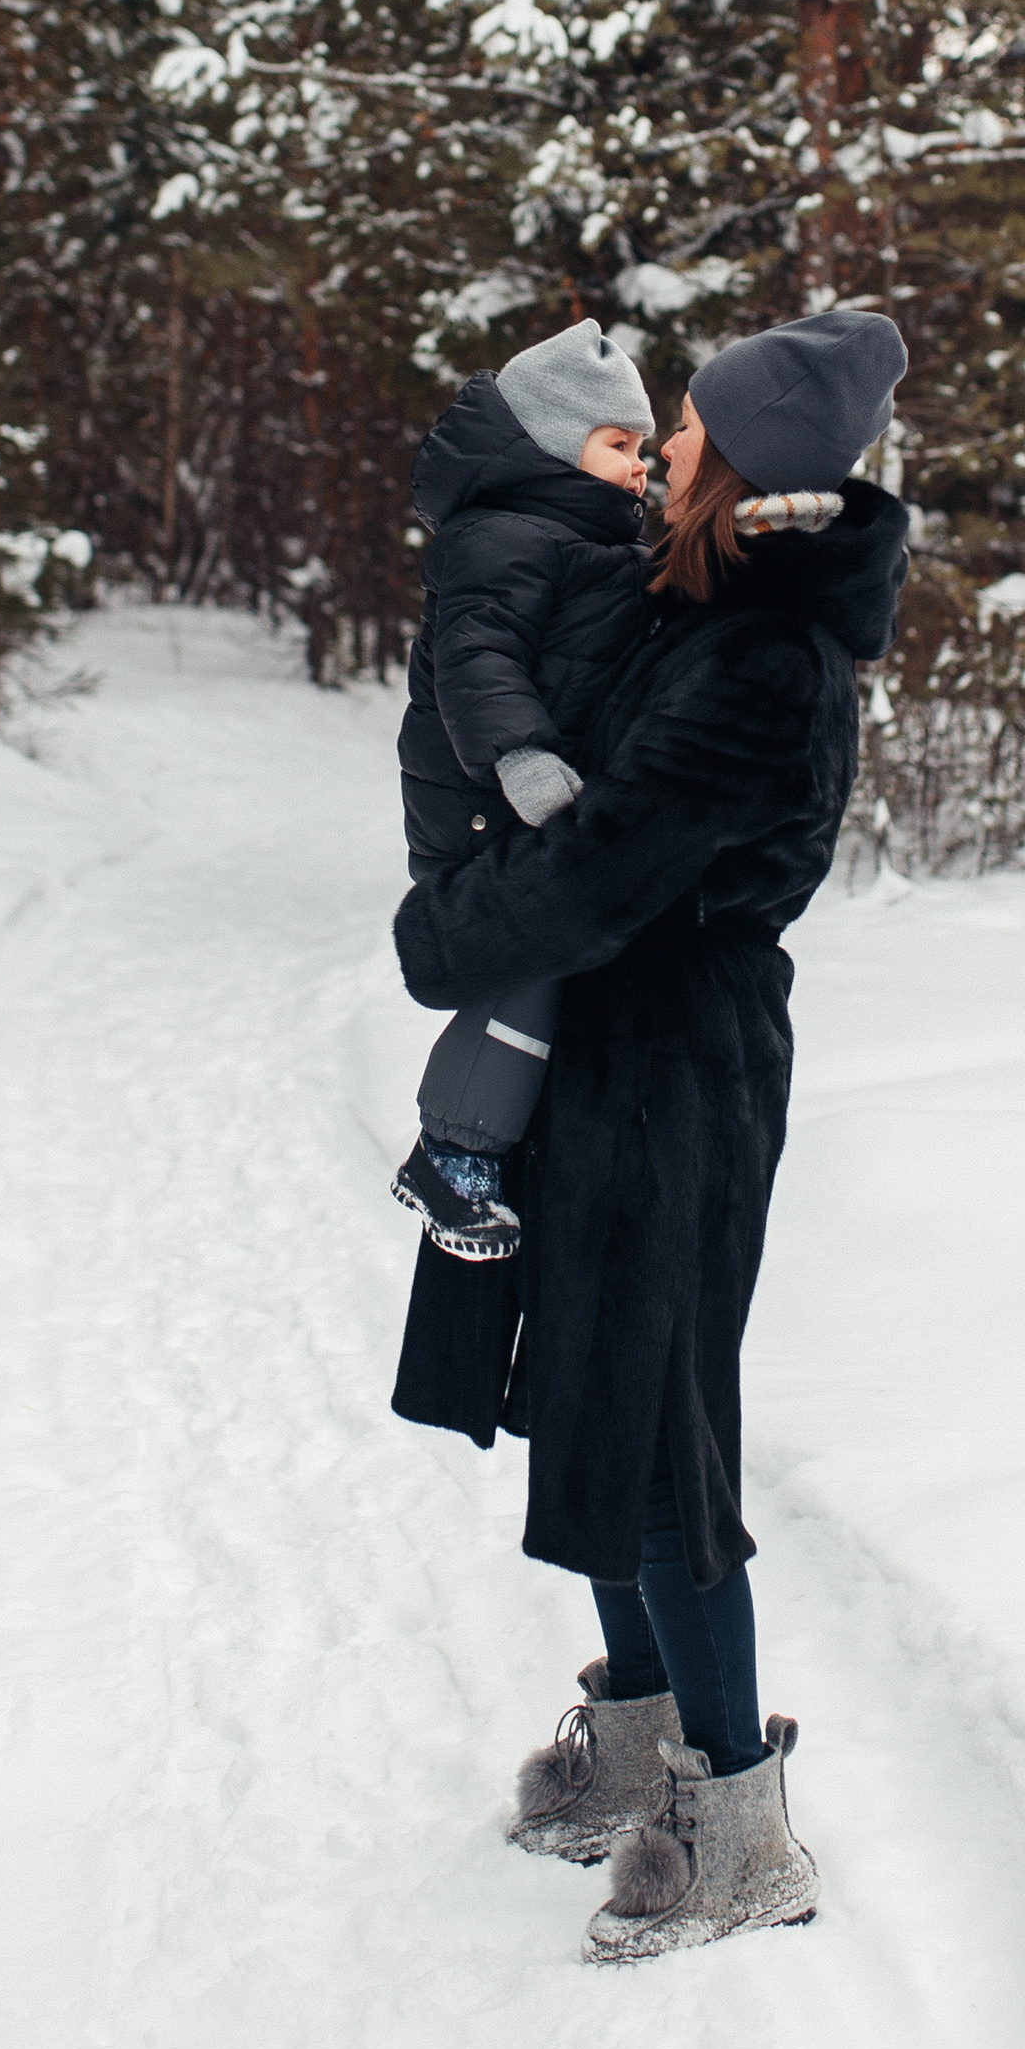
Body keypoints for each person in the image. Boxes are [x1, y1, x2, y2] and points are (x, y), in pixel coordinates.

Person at [391, 307, 911, 1963]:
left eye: (688, 424)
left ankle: (740, 1829)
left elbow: (612, 866)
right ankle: (634, 1741)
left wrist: (442, 936)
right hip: (602, 1046)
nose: (665, 439)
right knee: (586, 1403)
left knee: (665, 1437)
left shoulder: (766, 658)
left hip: (677, 1067)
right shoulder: (679, 592)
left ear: (742, 463)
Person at [391, 319, 656, 1260]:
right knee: (533, 970)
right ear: (551, 438)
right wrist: (526, 764)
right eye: (619, 444)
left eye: (645, 450)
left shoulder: (586, 539)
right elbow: (478, 661)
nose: (639, 467)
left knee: (554, 971)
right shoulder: (502, 538)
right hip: (488, 801)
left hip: (529, 799)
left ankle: (489, 1139)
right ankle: (451, 1150)